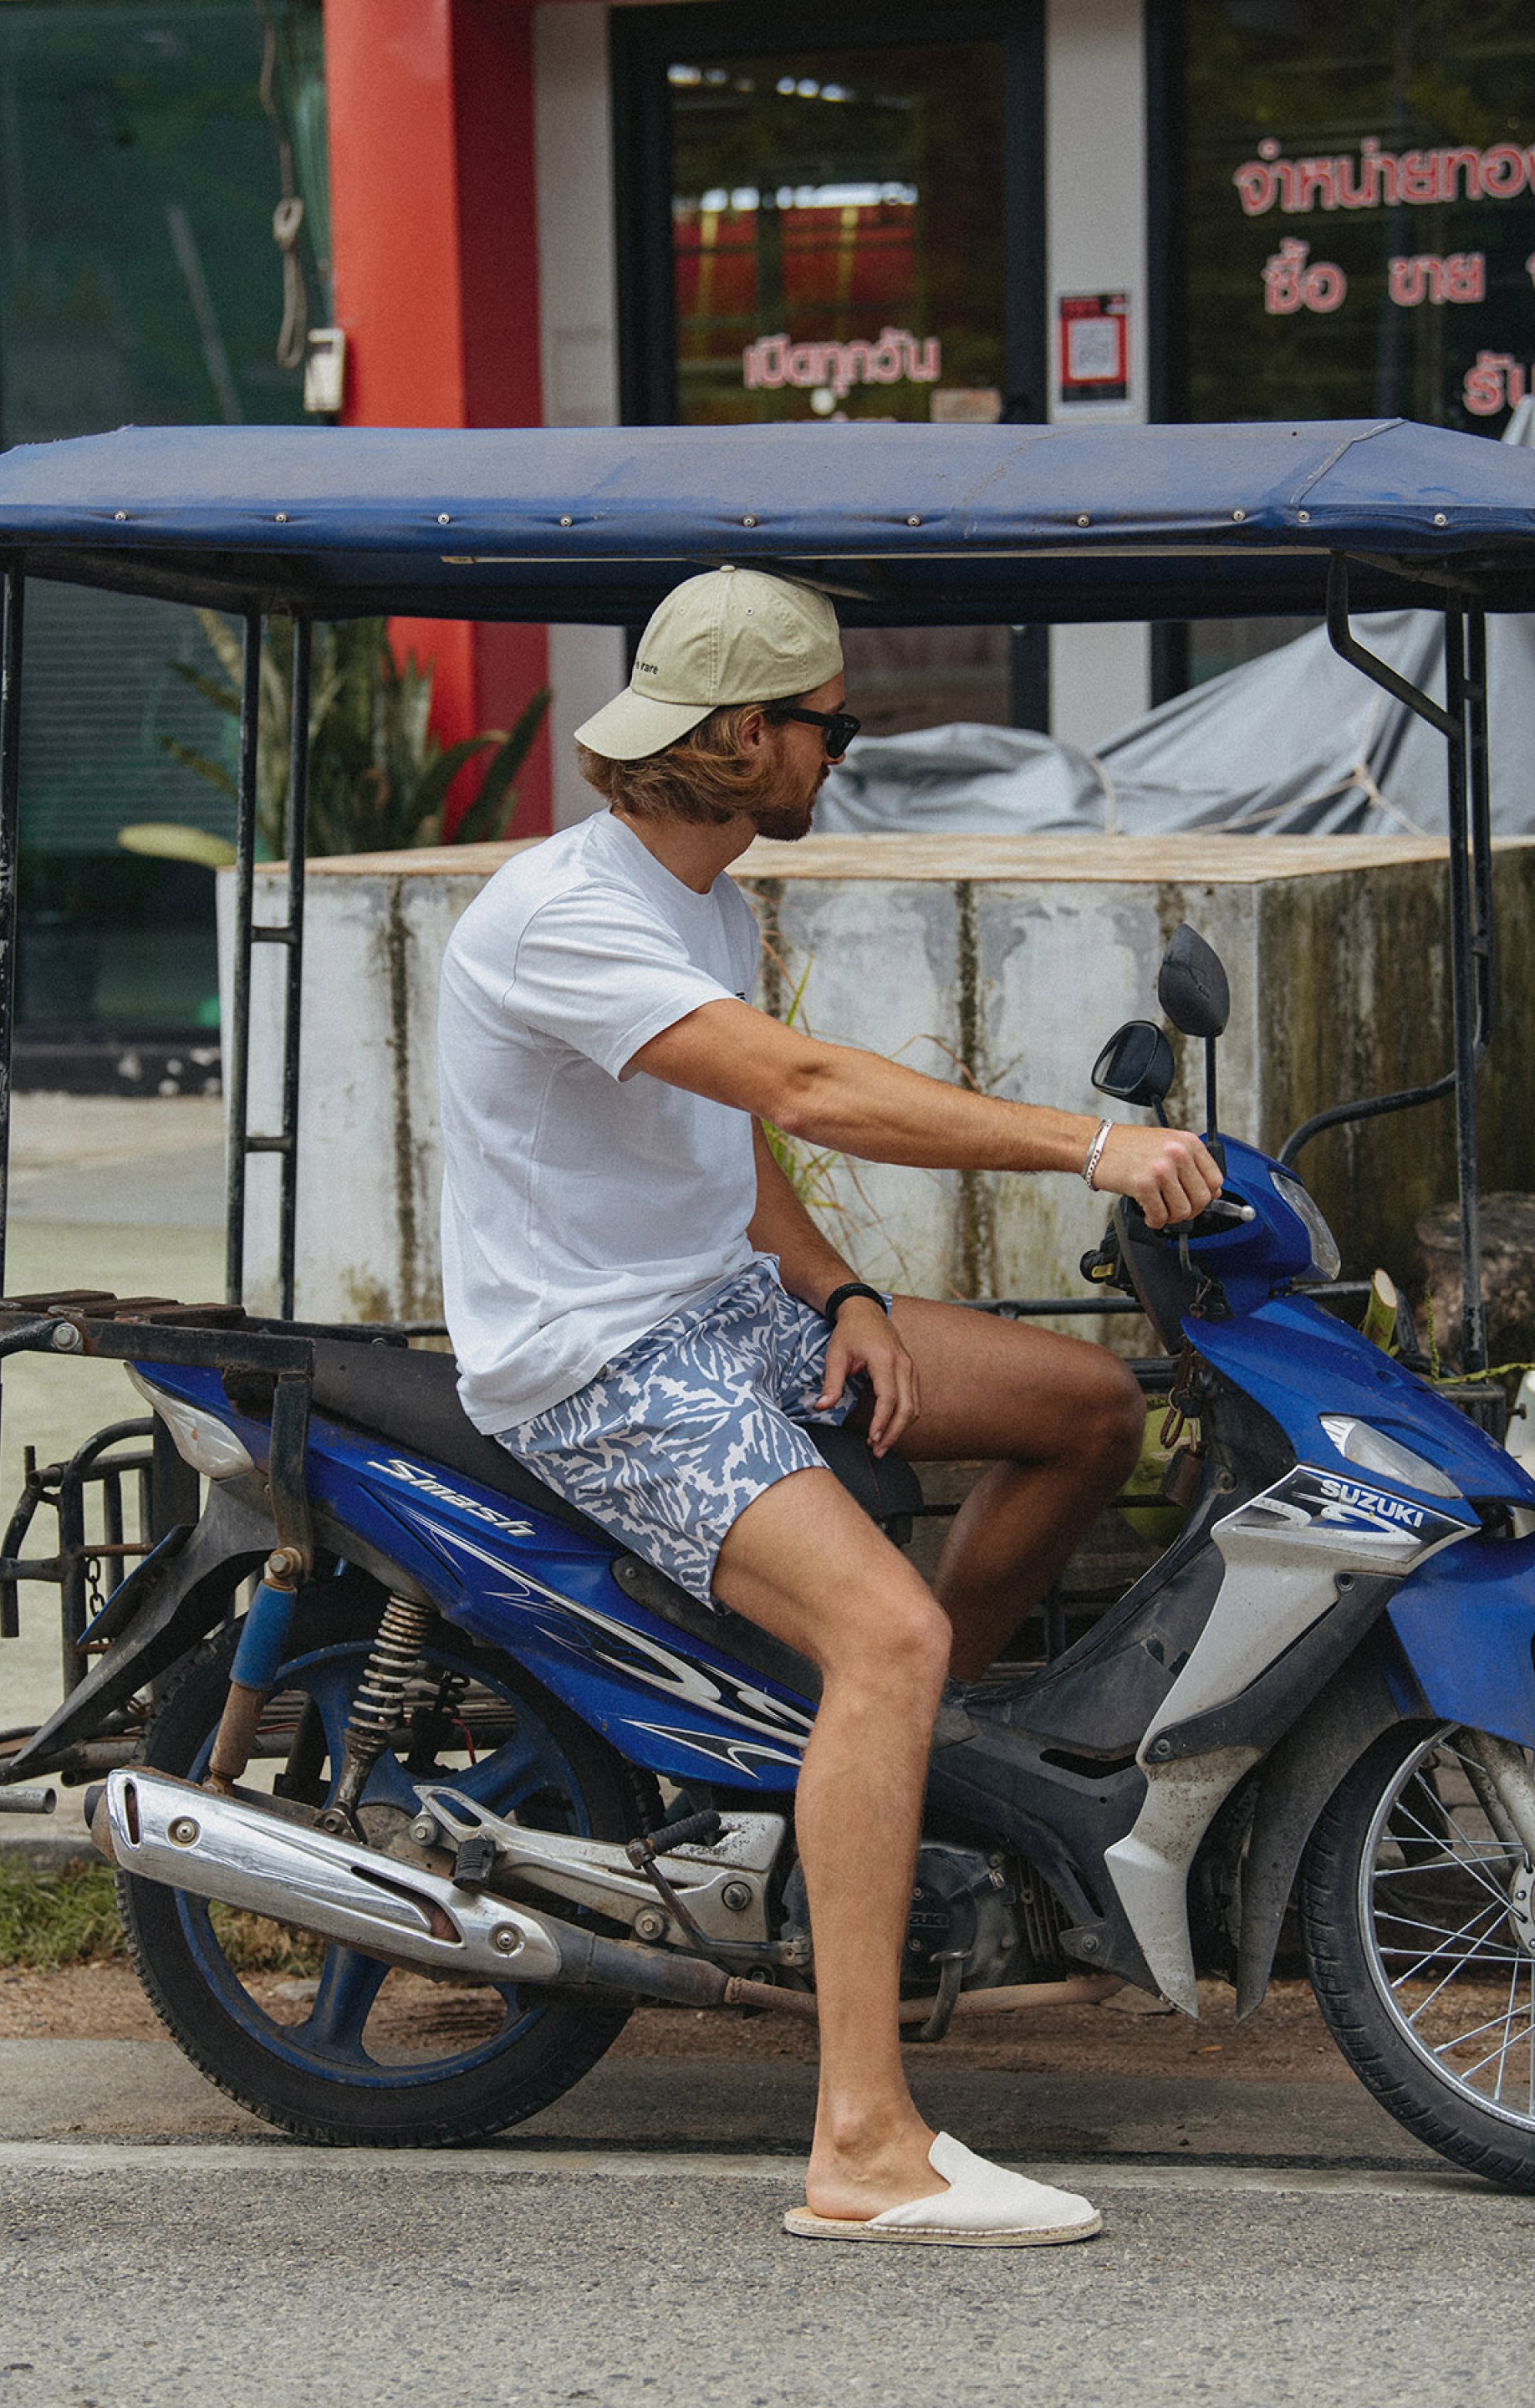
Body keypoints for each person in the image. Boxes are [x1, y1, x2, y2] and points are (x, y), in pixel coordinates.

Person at [437, 566, 1221, 2247]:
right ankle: (862, 2147)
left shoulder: (700, 893)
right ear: (739, 740)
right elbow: (805, 1087)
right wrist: (1089, 1144)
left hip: (717, 1306)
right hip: (598, 1361)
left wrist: (844, 1296)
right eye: (829, 724)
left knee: (1085, 1407)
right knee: (890, 1638)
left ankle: (879, 1766)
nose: (844, 754)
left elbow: (735, 1143)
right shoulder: (564, 912)